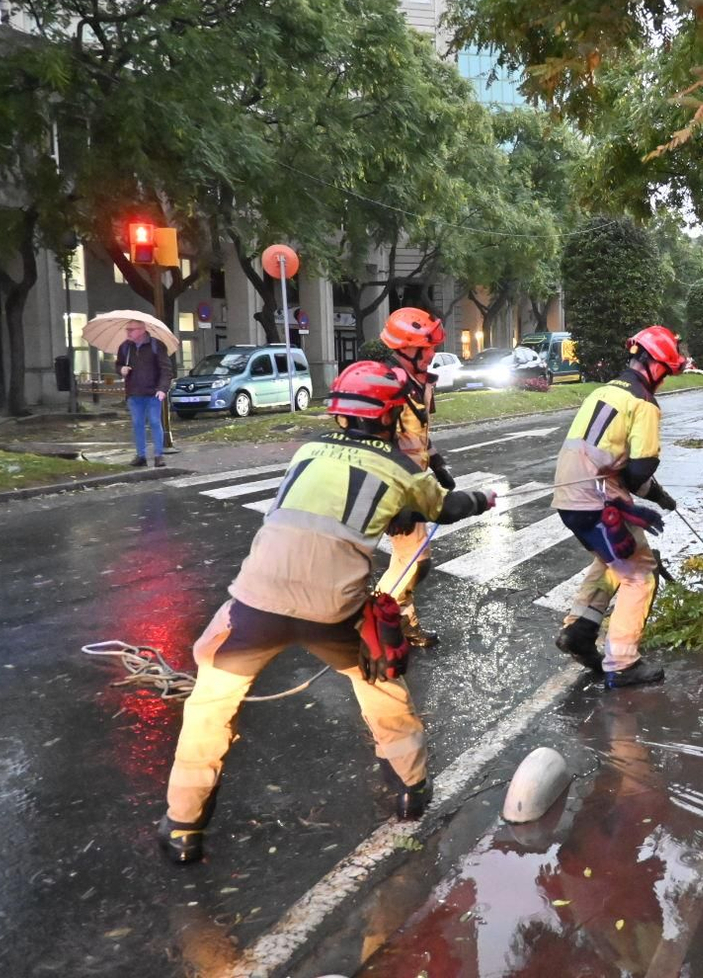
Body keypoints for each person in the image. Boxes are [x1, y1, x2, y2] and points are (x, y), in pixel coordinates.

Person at [156, 361, 497, 864]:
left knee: (209, 706)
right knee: (380, 682)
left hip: (255, 603)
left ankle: (183, 826)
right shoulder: (403, 468)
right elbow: (445, 508)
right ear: (391, 415)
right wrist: (482, 499)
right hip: (333, 610)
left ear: (339, 412)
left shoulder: (309, 450)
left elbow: (326, 502)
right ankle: (411, 787)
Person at [550, 326, 684, 689]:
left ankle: (579, 631)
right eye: (666, 372)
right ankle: (623, 663)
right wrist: (654, 496)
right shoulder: (643, 403)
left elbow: (619, 467)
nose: (664, 381)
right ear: (655, 365)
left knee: (612, 562)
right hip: (598, 502)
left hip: (569, 497)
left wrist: (659, 496)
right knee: (640, 573)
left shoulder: (604, 391)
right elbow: (638, 471)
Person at [373, 307, 453, 648]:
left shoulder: (421, 383)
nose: (433, 353)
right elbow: (377, 449)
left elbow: (418, 435)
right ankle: (378, 619)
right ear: (405, 347)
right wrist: (395, 505)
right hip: (394, 489)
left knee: (409, 560)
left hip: (414, 485)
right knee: (416, 563)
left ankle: (402, 623)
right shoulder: (387, 386)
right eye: (427, 347)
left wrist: (438, 465)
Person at [115, 321, 173, 467]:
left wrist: (162, 389)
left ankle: (158, 455)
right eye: (127, 329)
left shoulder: (156, 345)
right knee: (137, 424)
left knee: (154, 422)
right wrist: (121, 369)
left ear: (142, 330)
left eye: (132, 329)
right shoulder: (125, 347)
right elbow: (118, 364)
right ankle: (141, 456)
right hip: (134, 392)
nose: (128, 332)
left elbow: (166, 369)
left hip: (153, 392)